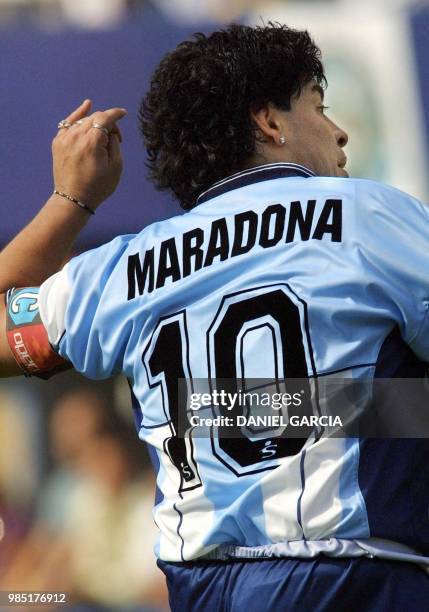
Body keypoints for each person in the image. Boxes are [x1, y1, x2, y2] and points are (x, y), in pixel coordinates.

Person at [0, 23, 429, 611]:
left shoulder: (123, 268)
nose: (339, 131)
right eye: (319, 107)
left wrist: (70, 200)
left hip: (202, 590)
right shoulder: (370, 216)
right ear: (270, 123)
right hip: (359, 579)